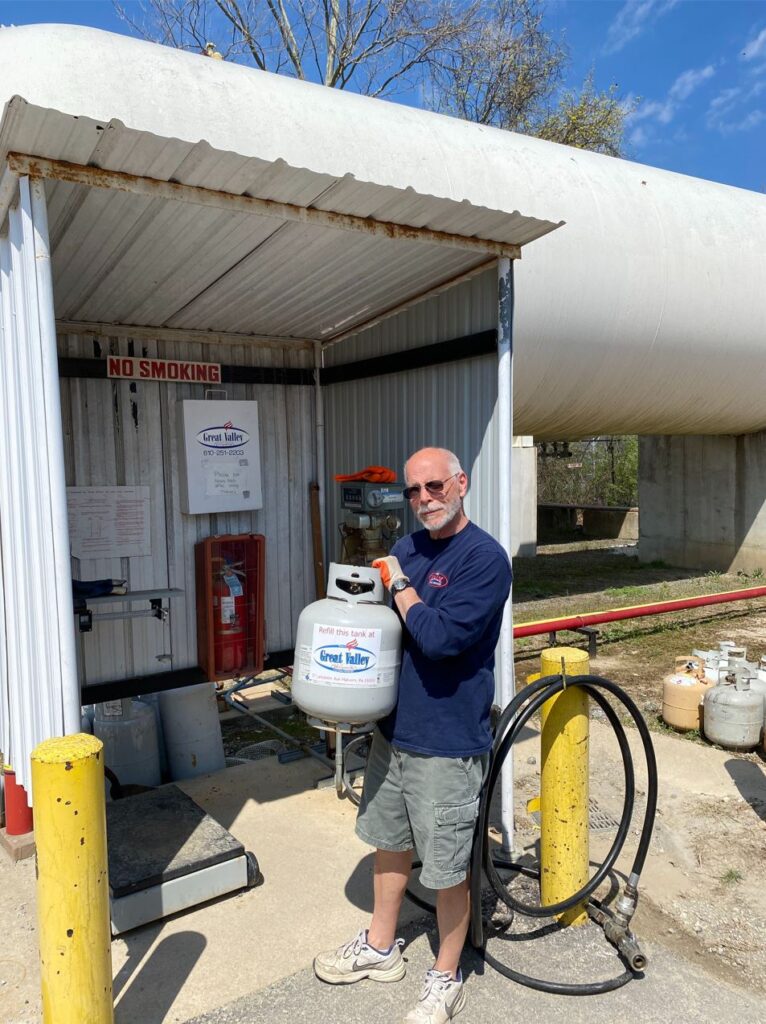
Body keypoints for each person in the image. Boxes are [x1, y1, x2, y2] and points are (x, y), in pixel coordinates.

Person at [314, 446, 512, 1023]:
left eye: (435, 487)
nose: (424, 499)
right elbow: (384, 633)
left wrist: (399, 584)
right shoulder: (406, 548)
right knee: (390, 842)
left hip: (448, 741)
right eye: (414, 491)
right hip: (395, 731)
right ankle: (380, 948)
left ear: (461, 484)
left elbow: (439, 637)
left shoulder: (484, 558)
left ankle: (445, 976)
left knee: (449, 868)